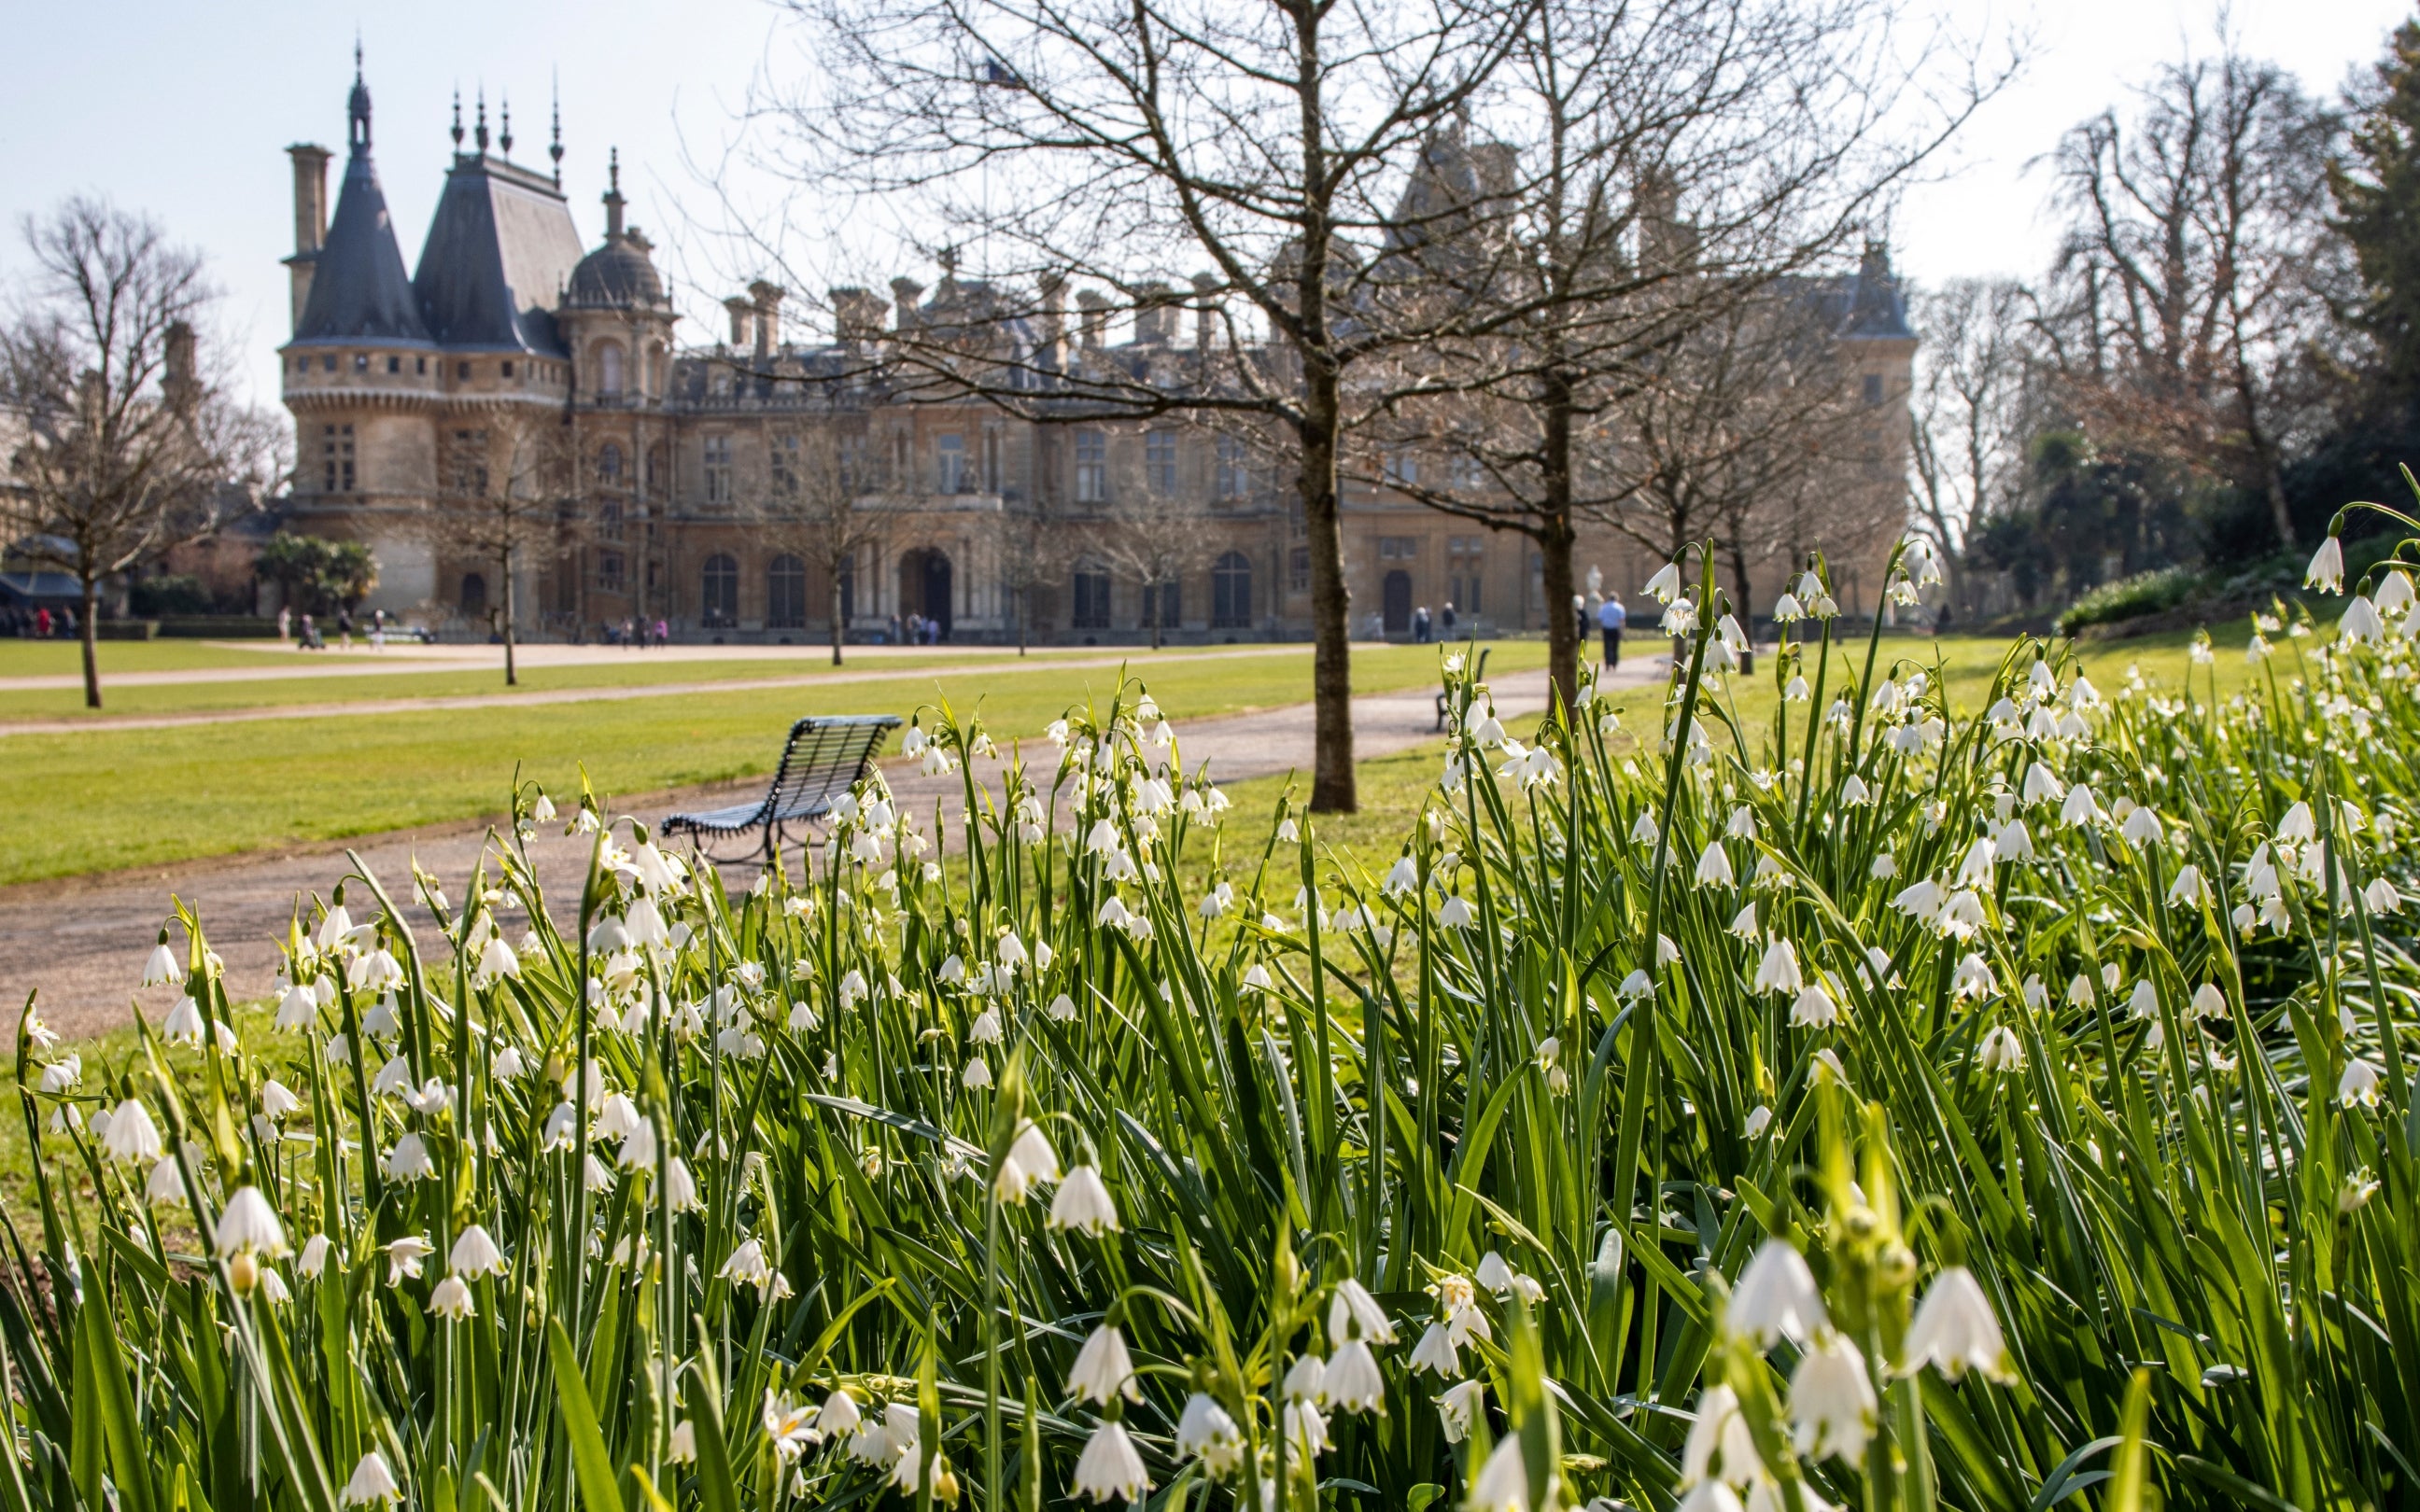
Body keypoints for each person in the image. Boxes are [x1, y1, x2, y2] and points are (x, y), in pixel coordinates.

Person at [1598, 591, 1626, 667]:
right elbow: (1621, 620)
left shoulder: (1604, 607)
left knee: (1607, 647)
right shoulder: (1620, 607)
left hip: (1606, 629)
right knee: (1615, 647)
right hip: (1615, 629)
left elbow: (1601, 619)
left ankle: (1607, 663)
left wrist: (1601, 629)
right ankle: (1614, 663)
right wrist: (1622, 630)